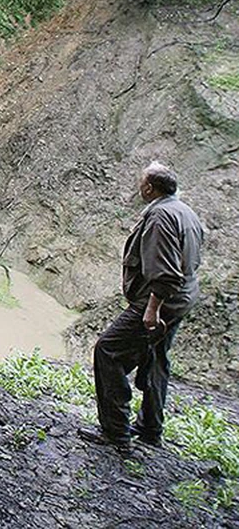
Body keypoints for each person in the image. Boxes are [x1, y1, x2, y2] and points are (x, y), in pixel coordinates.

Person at [78, 162, 204, 450]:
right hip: (182, 298)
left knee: (108, 351)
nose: (139, 186)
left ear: (149, 188)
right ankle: (150, 429)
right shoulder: (185, 211)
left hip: (159, 300)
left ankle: (116, 433)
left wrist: (151, 309)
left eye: (141, 182)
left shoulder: (160, 216)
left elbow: (166, 272)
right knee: (157, 357)